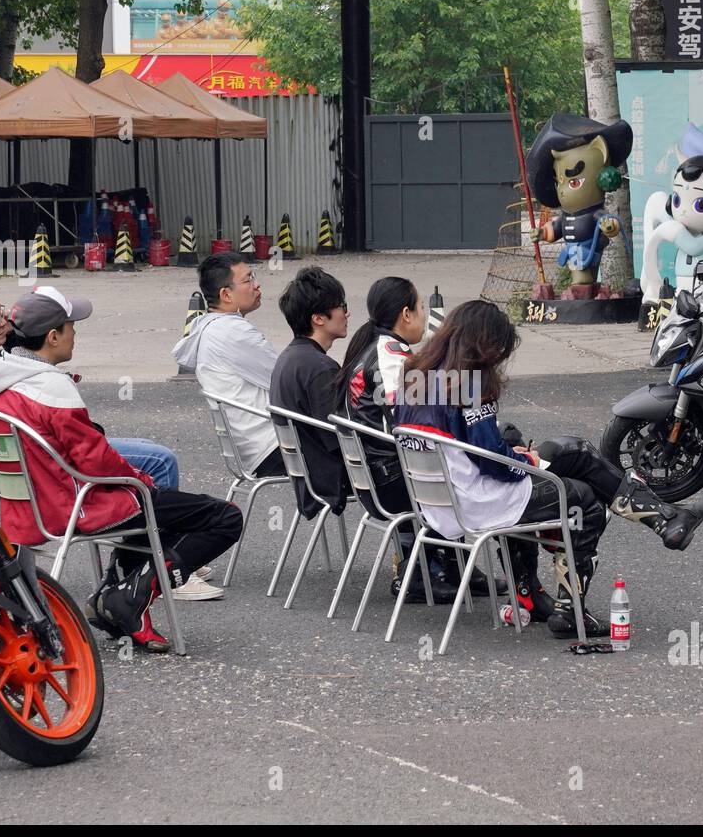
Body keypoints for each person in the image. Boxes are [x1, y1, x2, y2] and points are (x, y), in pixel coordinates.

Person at [395, 300, 703, 638]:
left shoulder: (417, 376)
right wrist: (526, 460)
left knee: (569, 455)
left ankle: (530, 596)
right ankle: (572, 609)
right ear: (484, 345)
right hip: (478, 501)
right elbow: (495, 465)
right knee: (585, 499)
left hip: (438, 501)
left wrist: (514, 455)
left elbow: (473, 450)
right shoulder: (466, 385)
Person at [0, 287, 242, 651]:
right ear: (53, 336)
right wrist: (141, 481)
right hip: (75, 506)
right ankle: (130, 596)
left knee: (152, 501)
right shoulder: (50, 387)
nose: (76, 333)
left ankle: (114, 596)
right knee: (225, 517)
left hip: (28, 505)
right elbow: (97, 461)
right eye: (71, 327)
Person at [335, 276, 506, 601]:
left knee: (450, 458)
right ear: (406, 314)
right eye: (422, 307)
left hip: (374, 476)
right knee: (461, 465)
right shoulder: (393, 360)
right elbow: (413, 422)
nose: (426, 315)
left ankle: (457, 569)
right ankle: (431, 574)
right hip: (391, 482)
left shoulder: (377, 350)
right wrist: (478, 388)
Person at [0, 278, 181, 491]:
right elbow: (54, 432)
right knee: (160, 460)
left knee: (145, 446)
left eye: (2, 311)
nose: (4, 321)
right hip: (44, 466)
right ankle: (153, 532)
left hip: (34, 458)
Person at [173, 251, 284, 478]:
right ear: (226, 294)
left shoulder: (211, 327)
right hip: (274, 447)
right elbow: (287, 382)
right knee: (363, 455)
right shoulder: (233, 332)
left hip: (254, 447)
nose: (257, 285)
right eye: (248, 280)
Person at [270, 266, 352, 518]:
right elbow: (341, 439)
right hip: (327, 477)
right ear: (318, 318)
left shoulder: (290, 357)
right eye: (341, 305)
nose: (347, 313)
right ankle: (422, 554)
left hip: (306, 473)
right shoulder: (320, 368)